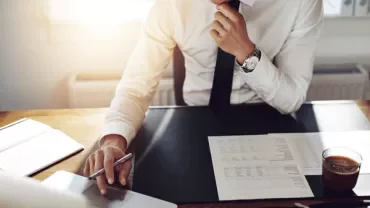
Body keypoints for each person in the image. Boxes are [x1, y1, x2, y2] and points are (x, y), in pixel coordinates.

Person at [83, 0, 323, 195]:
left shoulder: (301, 3)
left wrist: (246, 53)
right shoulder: (171, 5)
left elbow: (292, 98)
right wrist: (114, 140)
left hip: (266, 125)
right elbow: (136, 87)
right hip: (192, 128)